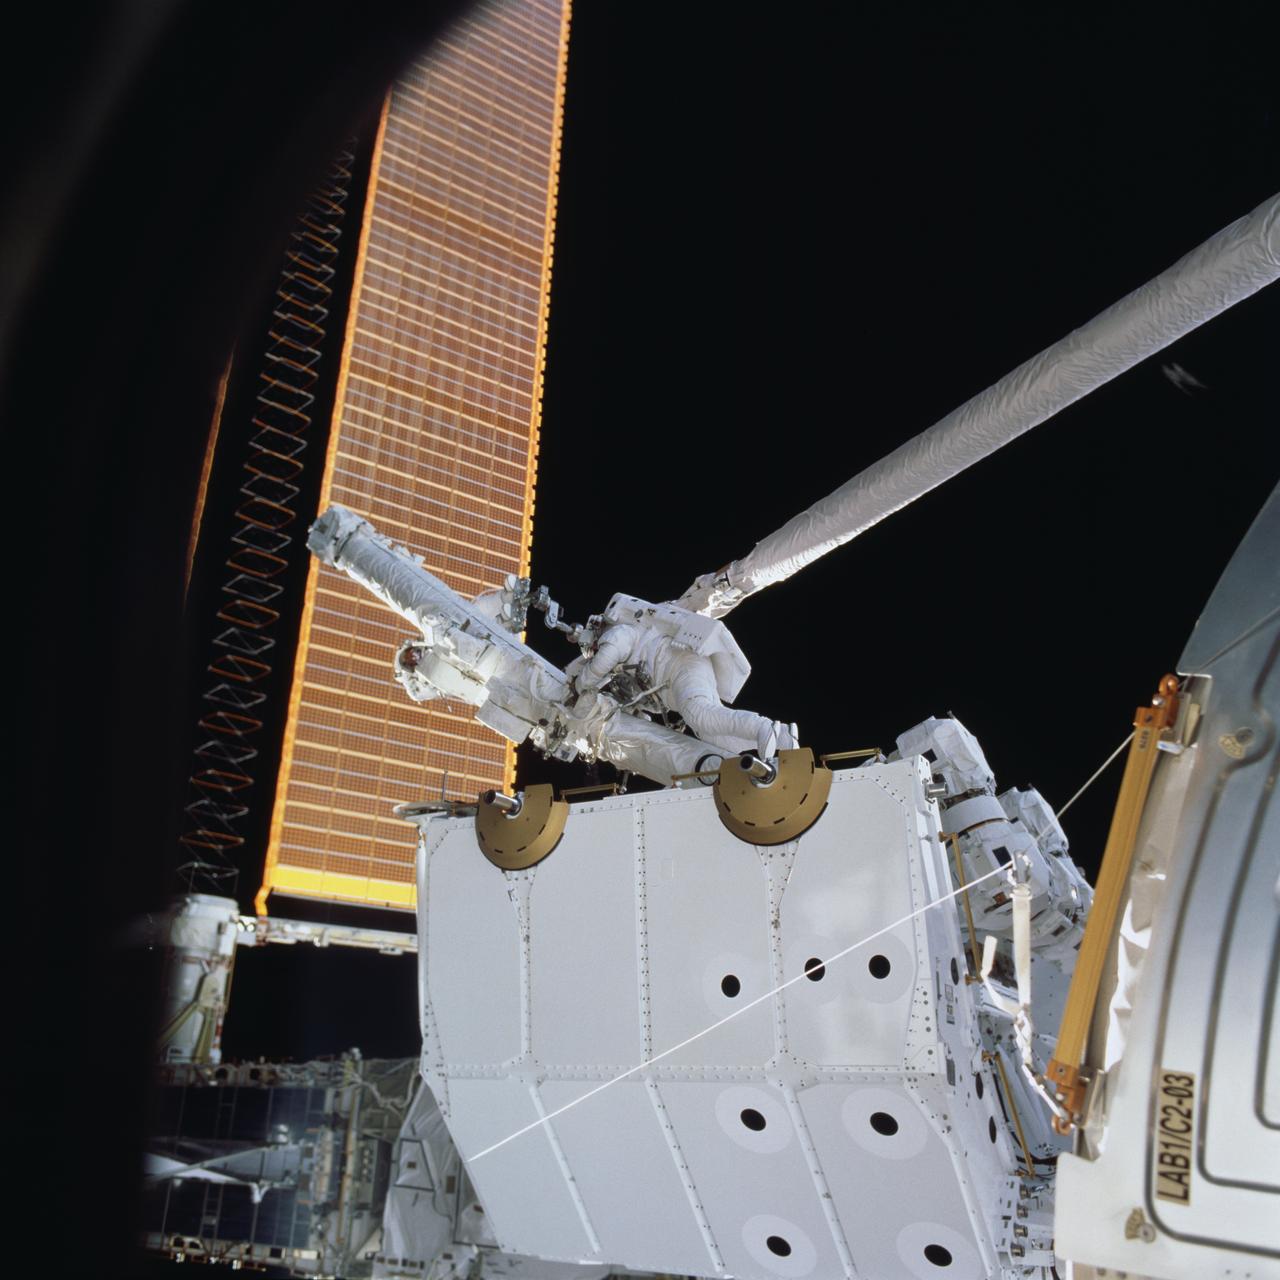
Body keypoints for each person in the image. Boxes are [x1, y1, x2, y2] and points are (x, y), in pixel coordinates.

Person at [565, 598, 794, 759]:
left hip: (680, 664)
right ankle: (782, 737)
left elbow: (606, 657)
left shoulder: (619, 632)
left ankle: (762, 727)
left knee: (700, 715)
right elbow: (647, 701)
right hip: (676, 678)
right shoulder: (623, 666)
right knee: (711, 735)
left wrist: (580, 683)